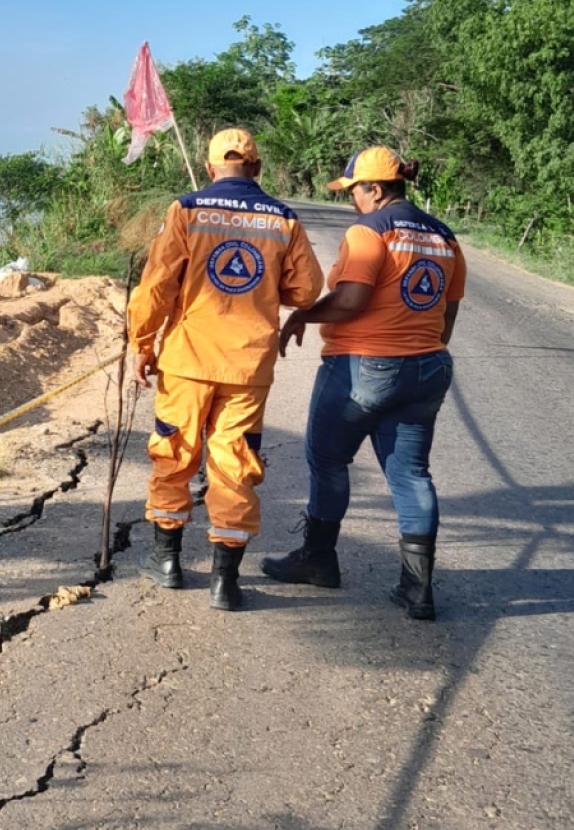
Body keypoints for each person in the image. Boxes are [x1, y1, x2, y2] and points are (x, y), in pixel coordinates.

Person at [261, 147, 466, 621]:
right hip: (428, 367)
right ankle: (418, 589)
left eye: (354, 190)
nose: (352, 199)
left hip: (365, 365)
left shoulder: (370, 231)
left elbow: (351, 300)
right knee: (412, 474)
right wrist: (418, 347)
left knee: (329, 459)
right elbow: (448, 312)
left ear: (376, 189)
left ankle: (318, 559)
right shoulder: (445, 236)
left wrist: (304, 316)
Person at [128, 128, 324, 610]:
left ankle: (168, 562)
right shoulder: (284, 219)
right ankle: (224, 582)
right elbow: (305, 292)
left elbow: (156, 286)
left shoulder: (187, 210)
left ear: (211, 167)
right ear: (256, 169)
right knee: (234, 463)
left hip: (187, 362)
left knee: (174, 453)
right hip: (248, 366)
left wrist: (142, 343)